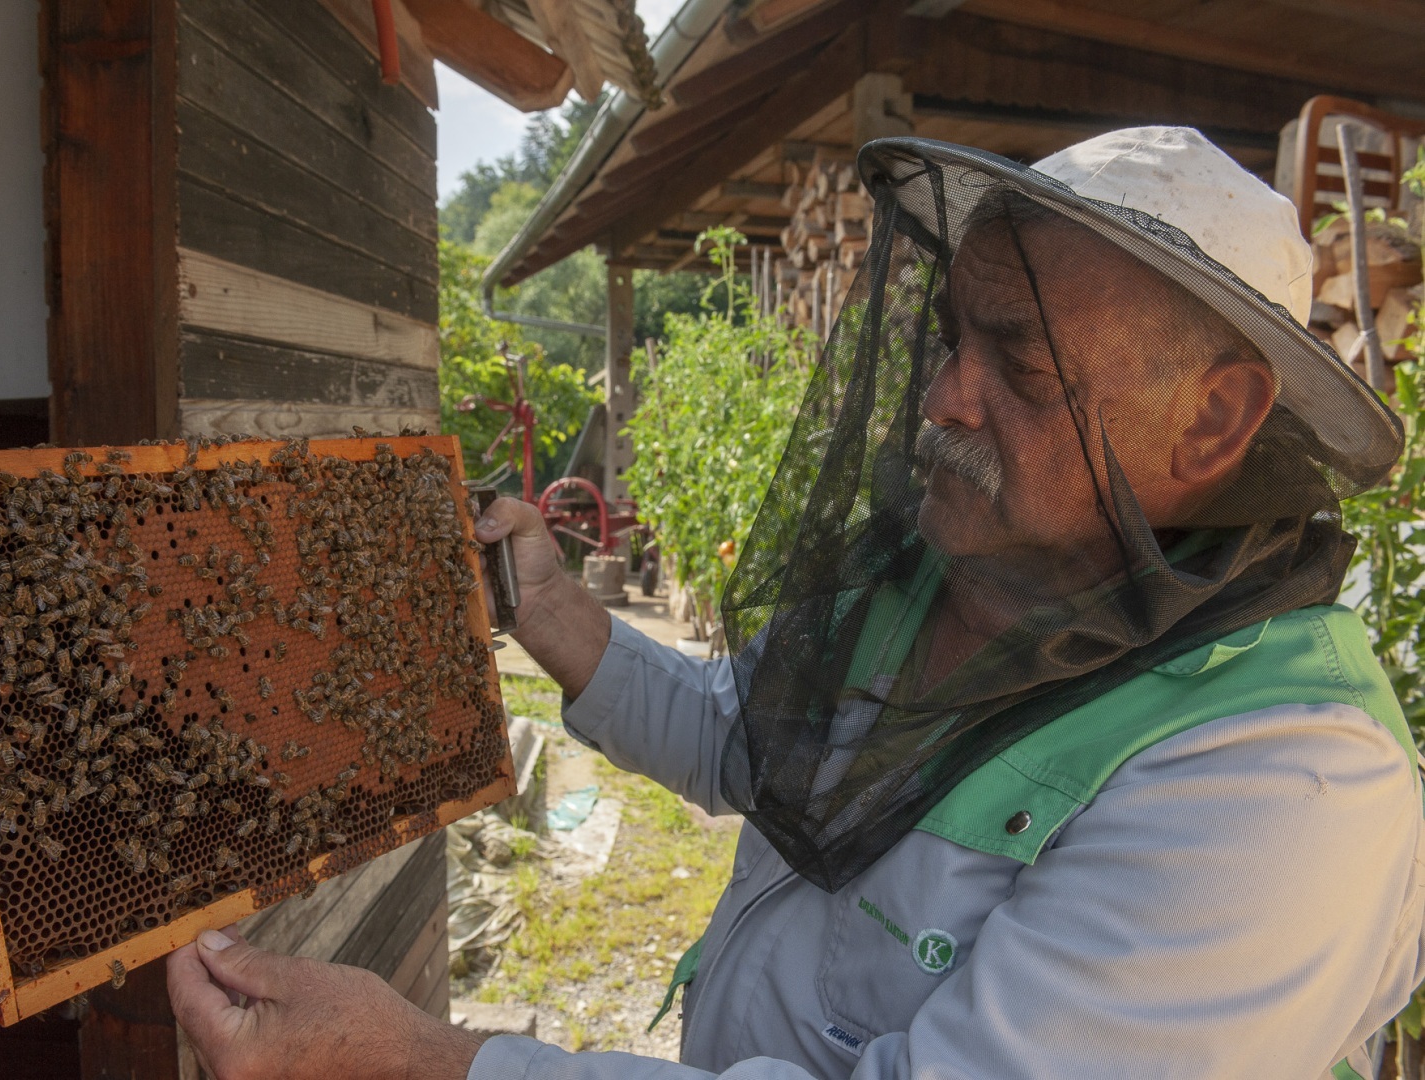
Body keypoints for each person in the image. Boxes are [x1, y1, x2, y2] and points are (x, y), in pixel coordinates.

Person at [169, 128, 1425, 1080]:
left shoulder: (1282, 787)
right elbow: (751, 737)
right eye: (951, 340)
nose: (945, 397)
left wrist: (428, 1061)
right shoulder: (960, 572)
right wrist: (555, 615)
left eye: (1023, 364)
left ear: (1211, 419)